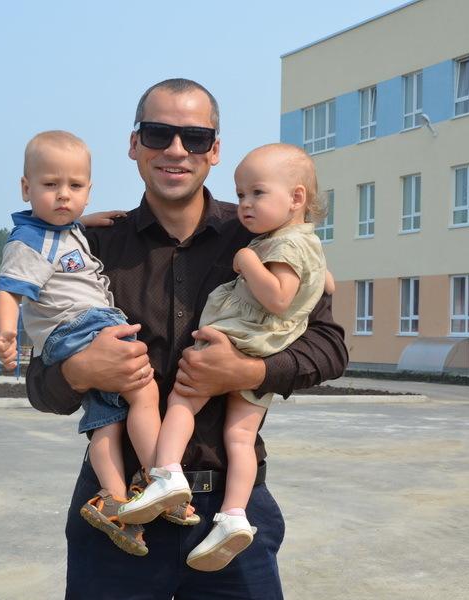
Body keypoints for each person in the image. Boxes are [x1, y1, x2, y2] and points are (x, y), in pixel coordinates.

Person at [22, 79, 348, 600]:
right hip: (120, 512)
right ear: (134, 144)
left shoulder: (265, 238)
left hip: (229, 515)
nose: (176, 150)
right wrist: (79, 371)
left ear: (214, 150)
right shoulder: (87, 248)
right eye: (158, 133)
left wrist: (251, 372)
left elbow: (330, 346)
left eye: (194, 137)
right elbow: (39, 383)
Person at [118, 143, 333, 572]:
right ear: (135, 144)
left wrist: (247, 262)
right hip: (267, 344)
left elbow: (302, 321)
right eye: (241, 195)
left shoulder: (263, 245)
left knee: (183, 399)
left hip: (238, 339)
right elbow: (325, 285)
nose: (246, 204)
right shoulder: (305, 244)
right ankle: (233, 516)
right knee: (240, 437)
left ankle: (166, 473)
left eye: (257, 193)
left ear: (296, 198)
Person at [0, 130, 163, 557]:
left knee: (106, 418)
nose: (63, 195)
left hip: (77, 329)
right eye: (51, 185)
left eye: (75, 186)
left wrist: (84, 221)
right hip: (80, 327)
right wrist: (7, 331)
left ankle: (115, 499)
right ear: (26, 188)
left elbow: (62, 234)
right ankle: (161, 478)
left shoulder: (65, 231)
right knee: (143, 388)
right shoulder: (28, 241)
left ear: (88, 190)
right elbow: (10, 290)